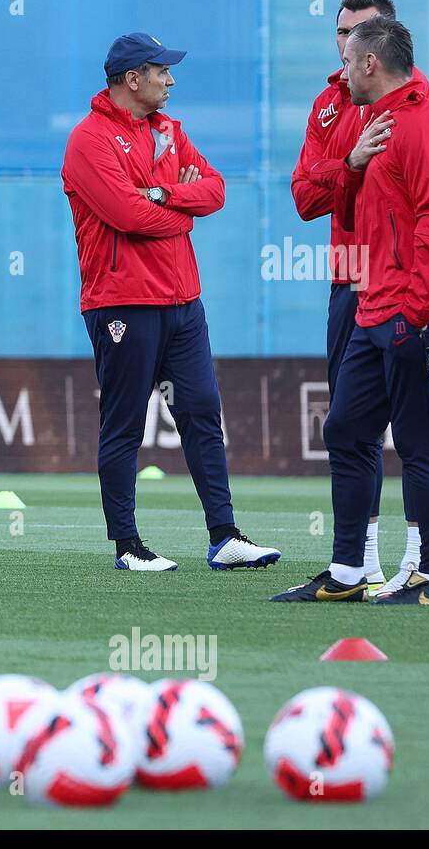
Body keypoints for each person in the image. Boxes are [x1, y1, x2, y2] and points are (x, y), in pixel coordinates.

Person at [62, 33, 281, 572]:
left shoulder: (169, 131)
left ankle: (224, 537)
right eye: (163, 71)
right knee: (125, 424)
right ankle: (128, 547)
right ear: (132, 78)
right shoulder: (89, 140)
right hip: (121, 303)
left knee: (203, 411)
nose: (171, 80)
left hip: (184, 302)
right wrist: (179, 209)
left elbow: (215, 189)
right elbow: (128, 217)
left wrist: (163, 194)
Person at [272, 16, 429, 605]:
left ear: (369, 64)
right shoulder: (379, 125)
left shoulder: (424, 125)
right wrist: (352, 165)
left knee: (417, 441)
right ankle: (349, 570)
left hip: (419, 312)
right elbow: (336, 208)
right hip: (373, 303)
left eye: (347, 56)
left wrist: (415, 313)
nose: (341, 70)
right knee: (346, 428)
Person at [291, 0, 429, 597]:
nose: (346, 44)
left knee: (416, 424)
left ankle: (425, 559)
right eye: (339, 32)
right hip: (348, 275)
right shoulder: (330, 103)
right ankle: (361, 560)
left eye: (359, 33)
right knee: (351, 424)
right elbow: (304, 197)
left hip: (398, 279)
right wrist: (347, 163)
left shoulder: (413, 101)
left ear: (383, 40)